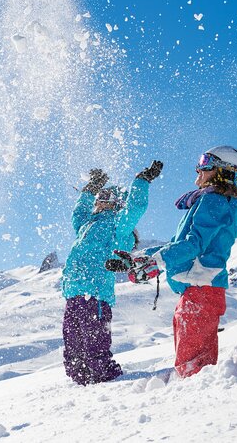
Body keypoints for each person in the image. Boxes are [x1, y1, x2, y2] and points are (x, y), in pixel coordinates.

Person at [134, 146, 237, 378]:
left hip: (201, 291)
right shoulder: (213, 202)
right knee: (195, 360)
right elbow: (177, 243)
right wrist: (141, 258)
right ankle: (196, 396)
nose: (198, 170)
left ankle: (193, 402)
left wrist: (155, 262)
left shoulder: (214, 201)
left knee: (193, 365)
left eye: (206, 166)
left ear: (226, 173)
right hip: (197, 291)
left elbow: (193, 244)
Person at [62, 161, 163, 385]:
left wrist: (141, 180)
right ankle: (82, 386)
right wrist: (90, 188)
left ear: (116, 202)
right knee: (73, 353)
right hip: (74, 293)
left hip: (95, 294)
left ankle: (111, 382)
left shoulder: (118, 225)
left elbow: (134, 208)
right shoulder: (86, 224)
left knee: (94, 348)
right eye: (100, 195)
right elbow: (78, 212)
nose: (101, 199)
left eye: (107, 195)